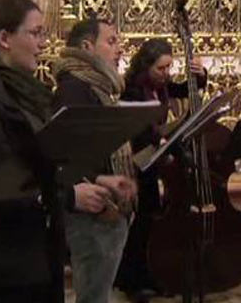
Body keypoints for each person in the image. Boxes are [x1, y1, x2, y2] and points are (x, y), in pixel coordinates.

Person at [0, 0, 119, 303]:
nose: (43, 43)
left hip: (36, 248)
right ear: (5, 38)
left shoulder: (26, 90)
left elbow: (44, 159)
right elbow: (1, 177)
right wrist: (70, 196)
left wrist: (93, 179)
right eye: (36, 33)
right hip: (3, 257)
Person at [52, 18, 138, 303]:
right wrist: (101, 182)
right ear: (87, 47)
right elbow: (66, 152)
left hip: (104, 206)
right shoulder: (74, 89)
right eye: (111, 41)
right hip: (93, 211)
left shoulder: (96, 86)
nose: (120, 49)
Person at [115, 38, 206, 303]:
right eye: (161, 68)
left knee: (152, 218)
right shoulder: (133, 90)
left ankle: (149, 274)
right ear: (146, 66)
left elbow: (184, 88)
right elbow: (138, 129)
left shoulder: (160, 84)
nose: (166, 74)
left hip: (154, 159)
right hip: (138, 161)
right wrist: (164, 139)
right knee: (143, 221)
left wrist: (200, 75)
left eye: (169, 67)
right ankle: (132, 280)